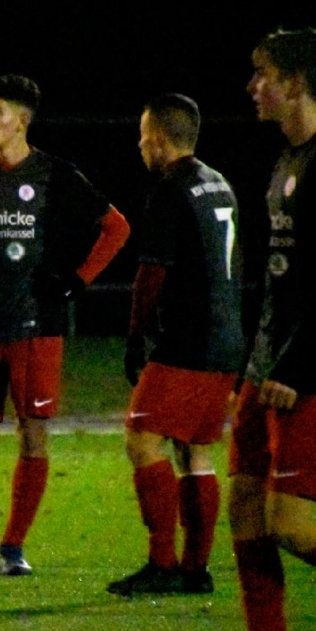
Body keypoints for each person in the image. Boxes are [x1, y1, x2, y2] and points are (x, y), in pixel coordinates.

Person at [0, 74, 130, 575]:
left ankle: (12, 549)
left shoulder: (56, 174)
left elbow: (116, 228)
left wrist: (76, 282)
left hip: (38, 328)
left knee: (33, 433)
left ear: (22, 120)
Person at [229, 27, 316, 631]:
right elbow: (280, 279)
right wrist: (255, 362)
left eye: (262, 74)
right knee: (245, 511)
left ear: (295, 83)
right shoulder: (287, 159)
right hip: (266, 365)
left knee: (290, 524)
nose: (252, 86)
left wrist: (294, 364)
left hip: (312, 371)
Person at [105, 93, 244, 596]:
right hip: (227, 336)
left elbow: (151, 271)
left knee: (142, 439)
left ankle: (162, 562)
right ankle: (195, 569)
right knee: (195, 452)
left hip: (188, 339)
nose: (140, 145)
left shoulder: (170, 187)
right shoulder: (219, 183)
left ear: (161, 139)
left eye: (144, 136)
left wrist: (135, 334)